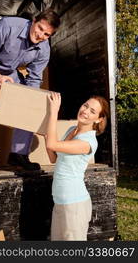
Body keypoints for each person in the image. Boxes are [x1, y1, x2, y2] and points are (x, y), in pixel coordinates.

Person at [0, 8, 60, 177]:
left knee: (30, 101)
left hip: (9, 70)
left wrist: (32, 104)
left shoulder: (44, 50)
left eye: (47, 34)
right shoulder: (9, 25)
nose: (40, 36)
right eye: (40, 28)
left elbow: (34, 80)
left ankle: (18, 155)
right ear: (34, 21)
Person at [45, 92, 109, 240]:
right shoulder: (72, 130)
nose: (85, 111)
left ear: (98, 119)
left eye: (92, 111)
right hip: (60, 200)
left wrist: (53, 111)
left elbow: (52, 144)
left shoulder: (88, 142)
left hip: (74, 204)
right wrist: (46, 135)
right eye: (85, 105)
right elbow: (53, 157)